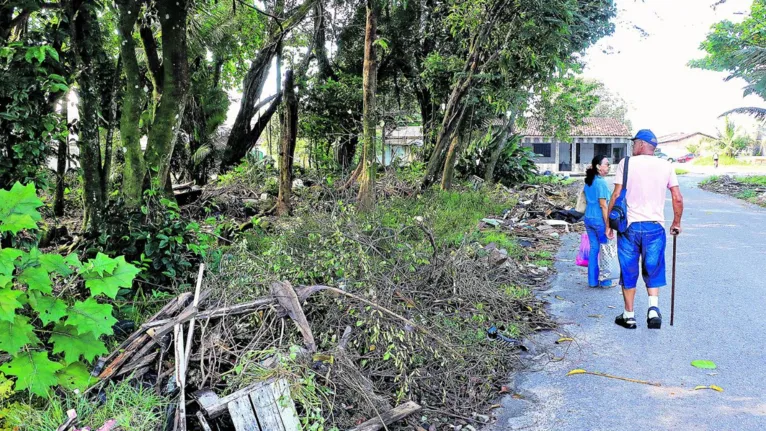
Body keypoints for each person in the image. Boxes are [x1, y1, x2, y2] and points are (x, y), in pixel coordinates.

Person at [607, 129, 684, 330]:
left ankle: (629, 315)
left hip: (629, 227)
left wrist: (608, 224)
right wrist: (676, 223)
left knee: (629, 269)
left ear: (641, 144)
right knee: (654, 267)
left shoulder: (627, 163)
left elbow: (615, 196)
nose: (632, 147)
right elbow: (677, 197)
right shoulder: (666, 166)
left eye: (634, 144)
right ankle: (652, 309)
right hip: (655, 227)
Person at [582, 155, 612, 288]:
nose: (609, 166)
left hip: (588, 218)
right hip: (599, 219)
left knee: (594, 248)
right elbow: (603, 205)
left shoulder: (590, 180)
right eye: (606, 163)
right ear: (599, 167)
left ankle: (592, 281)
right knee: (605, 249)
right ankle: (606, 281)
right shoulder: (601, 182)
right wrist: (608, 225)